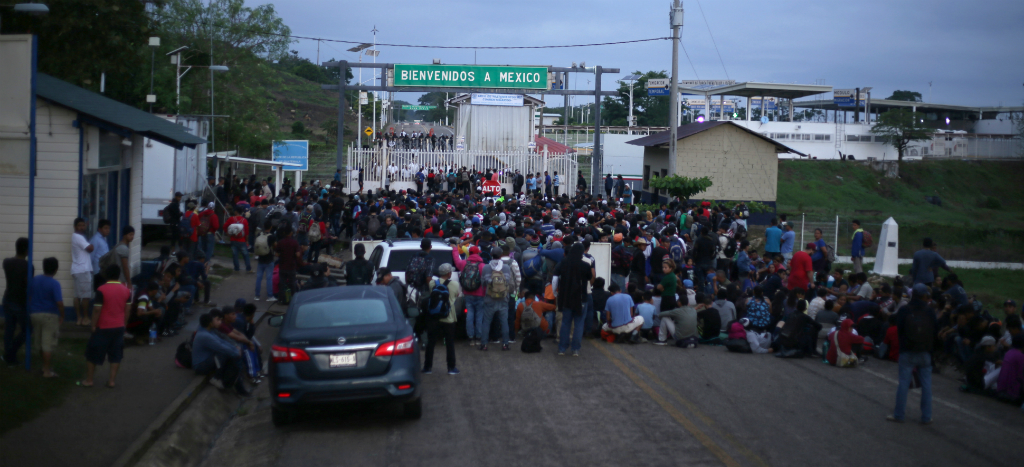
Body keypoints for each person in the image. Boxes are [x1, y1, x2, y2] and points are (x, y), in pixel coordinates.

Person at [889, 284, 936, 424]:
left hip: (907, 351)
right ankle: (926, 417)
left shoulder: (904, 310)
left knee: (903, 384)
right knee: (927, 385)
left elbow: (900, 331)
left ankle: (899, 415)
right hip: (925, 351)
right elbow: (934, 331)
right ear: (924, 296)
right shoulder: (930, 311)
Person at [82, 264, 132, 388]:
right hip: (119, 326)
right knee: (116, 354)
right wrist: (124, 324)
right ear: (118, 275)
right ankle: (111, 381)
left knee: (92, 353)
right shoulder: (126, 290)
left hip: (103, 327)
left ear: (107, 275)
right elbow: (128, 309)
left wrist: (93, 325)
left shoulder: (101, 290)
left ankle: (89, 380)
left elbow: (97, 310)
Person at [192, 312, 250, 396]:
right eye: (217, 320)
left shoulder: (209, 331)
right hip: (200, 366)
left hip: (208, 360)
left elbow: (222, 341)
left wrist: (235, 349)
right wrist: (236, 353)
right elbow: (221, 347)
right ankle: (217, 378)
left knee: (231, 358)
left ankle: (238, 387)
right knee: (225, 353)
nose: (219, 322)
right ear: (210, 323)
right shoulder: (205, 335)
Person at [29, 257, 64, 377]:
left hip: (34, 314)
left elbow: (29, 296)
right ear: (56, 269)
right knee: (47, 343)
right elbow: (59, 302)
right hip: (49, 315)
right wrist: (62, 315)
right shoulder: (55, 284)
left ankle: (44, 366)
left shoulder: (34, 280)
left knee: (39, 342)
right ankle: (47, 371)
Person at [555, 243, 592, 356]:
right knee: (579, 324)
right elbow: (590, 278)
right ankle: (575, 349)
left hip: (566, 297)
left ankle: (562, 348)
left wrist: (555, 292)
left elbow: (555, 279)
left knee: (565, 322)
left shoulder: (563, 263)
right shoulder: (585, 265)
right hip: (581, 297)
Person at [423, 264, 461, 375]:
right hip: (448, 317)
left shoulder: (432, 283)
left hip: (434, 317)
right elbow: (455, 296)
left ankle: (427, 367)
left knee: (431, 342)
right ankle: (451, 367)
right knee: (449, 343)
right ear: (449, 273)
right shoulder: (454, 284)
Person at [3, 238, 31, 366]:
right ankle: (10, 354)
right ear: (26, 250)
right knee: (27, 329)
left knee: (10, 328)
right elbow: (27, 284)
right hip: (19, 301)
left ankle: (8, 353)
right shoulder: (28, 266)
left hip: (7, 298)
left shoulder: (6, 262)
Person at [480, 246, 513, 351]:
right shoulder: (506, 267)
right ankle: (505, 344)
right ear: (501, 255)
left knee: (486, 322)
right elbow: (508, 282)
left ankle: (484, 344)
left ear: (491, 255)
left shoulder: (486, 267)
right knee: (504, 322)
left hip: (490, 298)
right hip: (503, 298)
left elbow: (483, 283)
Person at [71, 218, 95, 326]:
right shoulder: (79, 237)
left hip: (76, 269)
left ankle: (78, 318)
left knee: (77, 296)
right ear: (75, 227)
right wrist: (92, 244)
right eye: (80, 225)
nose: (82, 227)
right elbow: (90, 248)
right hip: (83, 269)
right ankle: (85, 318)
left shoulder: (75, 237)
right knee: (85, 296)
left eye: (83, 225)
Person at [275, 225, 301, 303]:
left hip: (282, 266)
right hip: (291, 266)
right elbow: (297, 255)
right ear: (291, 233)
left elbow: (276, 254)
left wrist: (282, 255)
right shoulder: (294, 242)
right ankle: (293, 300)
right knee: (292, 283)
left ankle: (281, 299)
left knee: (282, 284)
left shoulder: (280, 242)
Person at [224, 207, 251, 273]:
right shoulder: (244, 220)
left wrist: (227, 233)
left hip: (233, 239)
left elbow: (224, 226)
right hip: (242, 240)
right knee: (245, 255)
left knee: (235, 255)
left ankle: (236, 268)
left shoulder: (231, 219)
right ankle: (248, 268)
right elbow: (247, 232)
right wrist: (246, 240)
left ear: (236, 212)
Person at [254, 220, 276, 301]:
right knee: (269, 278)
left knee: (259, 278)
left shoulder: (259, 234)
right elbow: (275, 246)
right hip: (269, 259)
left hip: (260, 258)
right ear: (271, 227)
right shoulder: (272, 236)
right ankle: (270, 296)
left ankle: (257, 295)